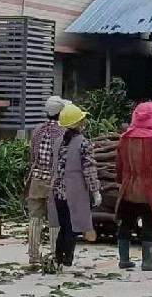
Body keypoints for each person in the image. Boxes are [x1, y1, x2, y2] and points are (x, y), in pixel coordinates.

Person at [115, 101, 152, 272]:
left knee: (126, 224)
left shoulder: (125, 138)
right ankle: (148, 262)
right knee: (149, 225)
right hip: (149, 190)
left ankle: (124, 260)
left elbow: (118, 164)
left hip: (128, 189)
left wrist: (121, 182)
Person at [47, 103, 100, 268]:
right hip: (75, 191)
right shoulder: (83, 143)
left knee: (63, 225)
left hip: (57, 191)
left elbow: (52, 165)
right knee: (73, 226)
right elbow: (89, 169)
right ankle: (67, 259)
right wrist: (95, 190)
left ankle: (58, 258)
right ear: (78, 123)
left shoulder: (57, 142)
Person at [25, 95, 70, 264]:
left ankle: (33, 255)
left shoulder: (37, 130)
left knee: (35, 217)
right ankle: (54, 255)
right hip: (55, 180)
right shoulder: (64, 132)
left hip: (37, 177)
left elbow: (32, 155)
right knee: (55, 219)